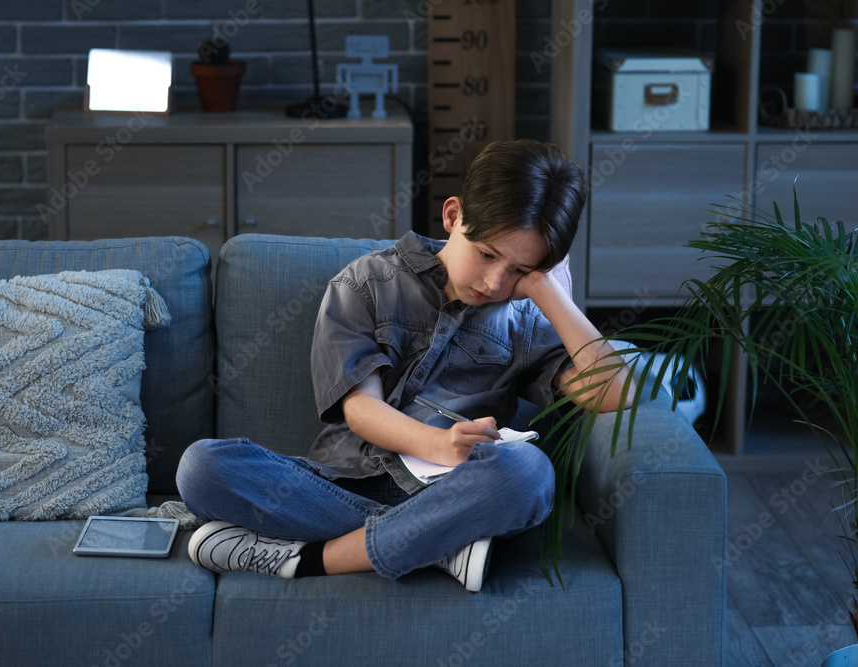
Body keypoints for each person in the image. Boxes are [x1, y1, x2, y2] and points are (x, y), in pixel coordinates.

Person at [176, 139, 632, 592]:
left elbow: (616, 393)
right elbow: (360, 409)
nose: (495, 282)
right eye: (488, 255)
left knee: (529, 474)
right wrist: (439, 444)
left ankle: (316, 559)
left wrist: (551, 293)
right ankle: (440, 544)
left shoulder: (528, 319)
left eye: (520, 271)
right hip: (340, 483)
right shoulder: (366, 282)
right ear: (454, 216)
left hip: (454, 492)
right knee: (202, 467)